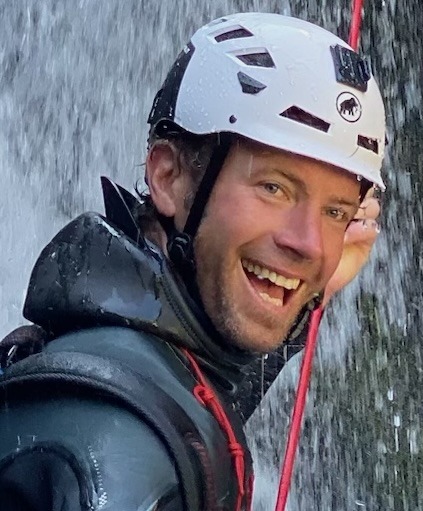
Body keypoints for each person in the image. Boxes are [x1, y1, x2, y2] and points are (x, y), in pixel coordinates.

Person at [0, 11, 385, 511]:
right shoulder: (114, 440)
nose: (309, 243)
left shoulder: (110, 360)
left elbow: (190, 420)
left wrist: (299, 296)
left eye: (335, 211)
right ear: (168, 177)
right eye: (274, 188)